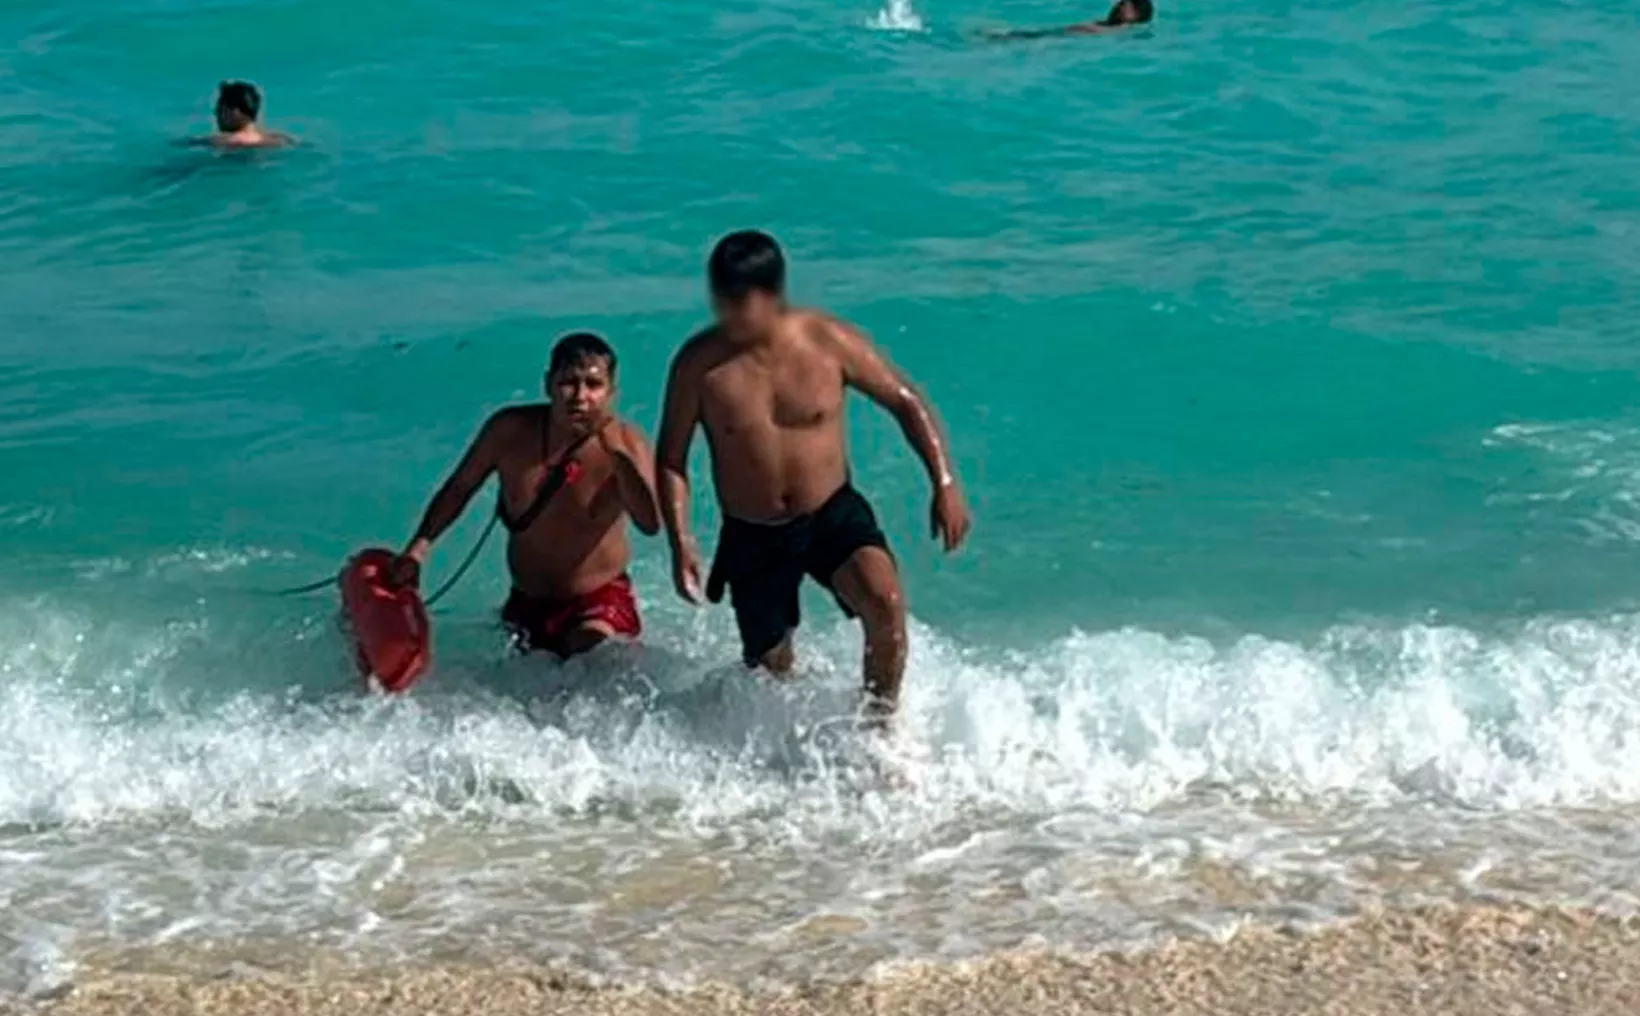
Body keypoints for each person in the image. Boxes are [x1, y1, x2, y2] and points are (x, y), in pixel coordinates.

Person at [656, 231, 971, 734]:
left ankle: (879, 728)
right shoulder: (699, 365)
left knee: (885, 604)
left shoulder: (829, 342)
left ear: (771, 296)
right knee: (770, 671)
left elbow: (904, 401)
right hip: (752, 532)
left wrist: (945, 482)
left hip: (831, 514)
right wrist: (681, 542)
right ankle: (794, 760)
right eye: (722, 300)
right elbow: (671, 458)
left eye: (740, 302)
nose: (729, 314)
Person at [391, 332, 660, 659]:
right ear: (548, 384)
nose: (580, 396)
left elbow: (650, 521)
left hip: (599, 600)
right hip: (527, 601)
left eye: (593, 385)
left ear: (611, 392)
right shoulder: (509, 431)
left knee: (588, 651)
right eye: (568, 383)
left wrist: (618, 458)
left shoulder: (629, 443)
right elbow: (460, 487)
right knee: (523, 690)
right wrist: (418, 549)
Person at [982, 0, 1153, 40]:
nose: (1122, 7)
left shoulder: (1125, 29)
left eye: (1129, 6)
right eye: (1124, 4)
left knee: (1028, 37)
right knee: (1027, 35)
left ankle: (994, 36)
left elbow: (1102, 34)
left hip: (1069, 36)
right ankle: (995, 36)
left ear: (1138, 13)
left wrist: (1085, 29)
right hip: (1066, 33)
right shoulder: (1112, 23)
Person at [200, 81, 294, 148]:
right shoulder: (281, 140)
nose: (216, 114)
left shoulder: (217, 142)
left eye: (220, 110)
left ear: (234, 111)